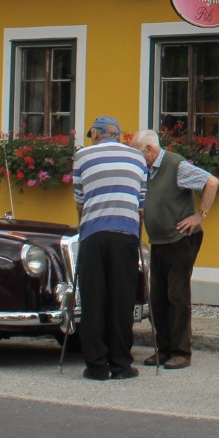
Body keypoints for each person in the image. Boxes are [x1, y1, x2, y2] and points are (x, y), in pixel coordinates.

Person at [132, 127, 219, 370]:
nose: (135, 157)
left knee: (177, 296)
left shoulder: (175, 165)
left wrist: (199, 216)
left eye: (137, 152)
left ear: (149, 149)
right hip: (159, 240)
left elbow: (211, 182)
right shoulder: (147, 171)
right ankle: (163, 349)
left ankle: (181, 352)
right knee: (158, 297)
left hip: (180, 238)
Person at [71, 114, 147, 380]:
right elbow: (141, 201)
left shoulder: (82, 156)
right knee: (121, 298)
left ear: (96, 133)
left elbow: (80, 201)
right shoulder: (137, 158)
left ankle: (96, 366)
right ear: (117, 134)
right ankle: (121, 364)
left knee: (94, 299)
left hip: (93, 232)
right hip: (125, 233)